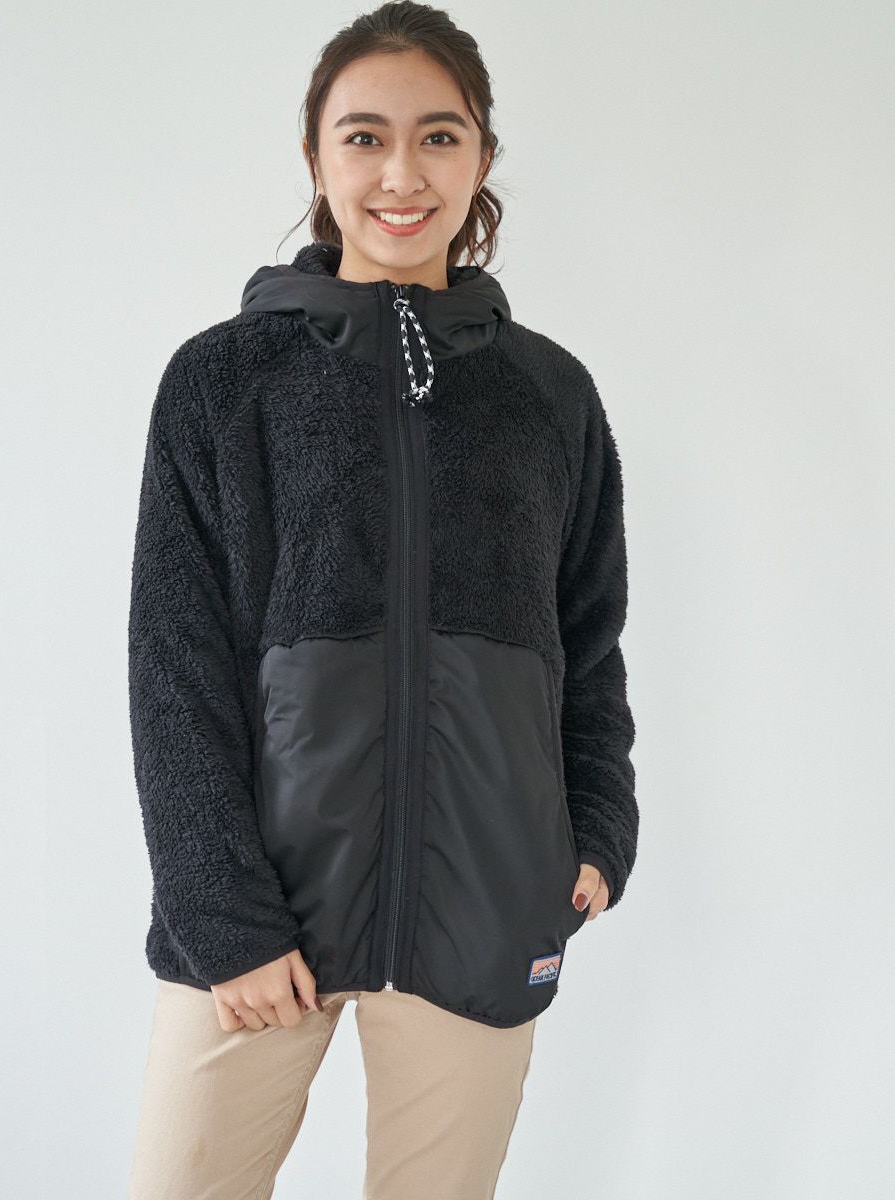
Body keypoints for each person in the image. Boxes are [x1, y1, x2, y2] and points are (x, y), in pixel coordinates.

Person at [127, 3, 638, 1197]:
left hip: (487, 894)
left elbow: (587, 638)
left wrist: (599, 826)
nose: (401, 174)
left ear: (481, 157)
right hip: (258, 907)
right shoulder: (222, 380)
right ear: (316, 157)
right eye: (364, 137)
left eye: (438, 137)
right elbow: (172, 664)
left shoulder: (549, 395)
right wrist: (222, 914)